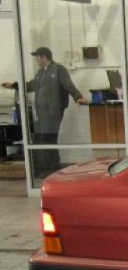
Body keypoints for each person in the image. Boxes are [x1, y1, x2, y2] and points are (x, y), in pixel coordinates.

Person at [2, 46, 87, 178]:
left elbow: (68, 85)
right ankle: (49, 169)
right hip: (42, 113)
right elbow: (31, 85)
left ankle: (51, 170)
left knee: (47, 139)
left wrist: (78, 97)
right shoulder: (41, 72)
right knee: (43, 140)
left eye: (37, 57)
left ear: (44, 57)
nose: (36, 60)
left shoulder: (59, 69)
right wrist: (14, 85)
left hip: (53, 112)